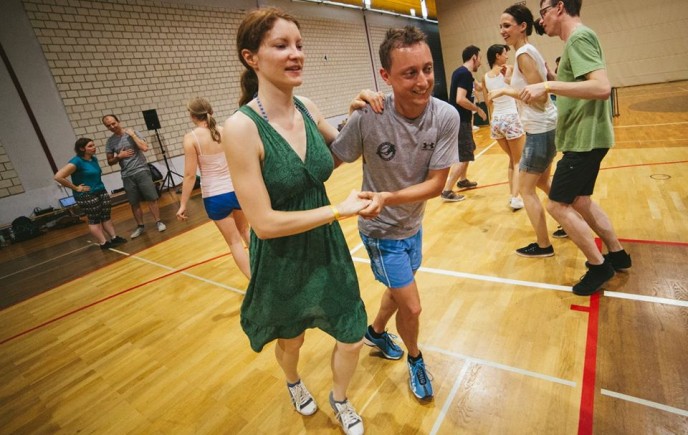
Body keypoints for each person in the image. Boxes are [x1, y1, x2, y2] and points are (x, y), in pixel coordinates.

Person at [222, 7, 370, 434]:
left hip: (326, 246)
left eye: (299, 45)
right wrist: (337, 210)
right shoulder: (241, 128)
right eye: (281, 45)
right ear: (251, 57)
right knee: (293, 339)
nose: (296, 54)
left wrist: (358, 112)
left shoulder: (307, 106)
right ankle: (293, 381)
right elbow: (264, 224)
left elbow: (340, 152)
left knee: (352, 331)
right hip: (281, 256)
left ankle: (339, 398)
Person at [331, 26, 460, 402]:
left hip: (412, 225)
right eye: (410, 73)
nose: (423, 82)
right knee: (413, 306)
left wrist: (389, 197)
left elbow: (436, 184)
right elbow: (330, 159)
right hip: (380, 232)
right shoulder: (369, 117)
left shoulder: (445, 116)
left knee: (397, 292)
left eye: (427, 69)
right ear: (385, 76)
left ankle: (374, 332)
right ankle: (415, 358)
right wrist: (346, 117)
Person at [520, 0, 631, 295]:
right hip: (587, 139)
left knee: (557, 205)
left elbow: (601, 87)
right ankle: (617, 254)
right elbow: (581, 87)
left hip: (585, 140)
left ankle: (598, 266)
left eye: (543, 12)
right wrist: (553, 78)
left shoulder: (579, 37)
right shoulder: (576, 41)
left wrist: (547, 86)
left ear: (559, 7)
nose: (541, 20)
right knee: (580, 201)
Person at [488, 4, 558, 258]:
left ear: (522, 26)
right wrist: (510, 81)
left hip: (539, 129)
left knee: (527, 190)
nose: (502, 31)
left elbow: (540, 95)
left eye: (507, 26)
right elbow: (534, 86)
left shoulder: (522, 54)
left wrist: (506, 90)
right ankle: (568, 216)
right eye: (501, 26)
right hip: (544, 126)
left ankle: (544, 245)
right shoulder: (526, 52)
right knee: (542, 181)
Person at [176, 97, 251, 279]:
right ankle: (266, 273)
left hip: (215, 196)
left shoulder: (191, 138)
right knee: (245, 231)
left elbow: (190, 175)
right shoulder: (225, 131)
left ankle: (254, 281)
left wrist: (183, 204)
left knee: (234, 242)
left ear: (192, 116)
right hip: (236, 190)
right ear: (211, 112)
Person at [54, 138, 127, 249]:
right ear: (82, 148)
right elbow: (58, 177)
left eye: (94, 145)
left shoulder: (93, 159)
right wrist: (76, 188)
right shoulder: (76, 161)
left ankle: (114, 237)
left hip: (100, 190)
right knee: (94, 218)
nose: (94, 148)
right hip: (86, 194)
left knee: (106, 216)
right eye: (90, 146)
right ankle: (103, 243)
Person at [103, 114, 166, 238]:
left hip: (142, 170)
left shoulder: (133, 133)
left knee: (151, 198)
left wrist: (132, 135)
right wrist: (119, 157)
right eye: (108, 125)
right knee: (134, 202)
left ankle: (158, 222)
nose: (112, 126)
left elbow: (145, 148)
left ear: (118, 121)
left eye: (113, 123)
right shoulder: (110, 142)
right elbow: (110, 161)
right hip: (127, 174)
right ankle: (140, 226)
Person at [482, 44, 525, 211]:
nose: (507, 56)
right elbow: (519, 89)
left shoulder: (485, 77)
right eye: (505, 53)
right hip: (511, 118)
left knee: (512, 159)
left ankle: (512, 194)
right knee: (519, 160)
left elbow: (488, 102)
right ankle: (516, 197)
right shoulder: (510, 69)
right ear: (497, 56)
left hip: (496, 121)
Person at [441, 45, 486, 202]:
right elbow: (460, 99)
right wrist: (478, 110)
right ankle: (447, 190)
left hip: (460, 120)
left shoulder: (462, 73)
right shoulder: (464, 74)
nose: (480, 62)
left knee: (469, 149)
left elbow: (478, 87)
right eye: (480, 58)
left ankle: (463, 180)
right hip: (460, 120)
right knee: (464, 155)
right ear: (474, 57)